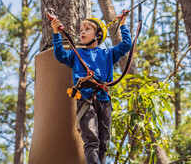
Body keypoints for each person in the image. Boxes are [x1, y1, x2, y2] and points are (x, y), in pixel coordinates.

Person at [51, 15, 131, 164]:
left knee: (103, 143)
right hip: (86, 100)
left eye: (87, 29)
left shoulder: (108, 54)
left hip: (104, 101)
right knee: (92, 140)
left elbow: (126, 45)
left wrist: (123, 25)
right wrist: (56, 33)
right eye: (81, 30)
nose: (82, 32)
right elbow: (60, 55)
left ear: (98, 35)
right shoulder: (77, 54)